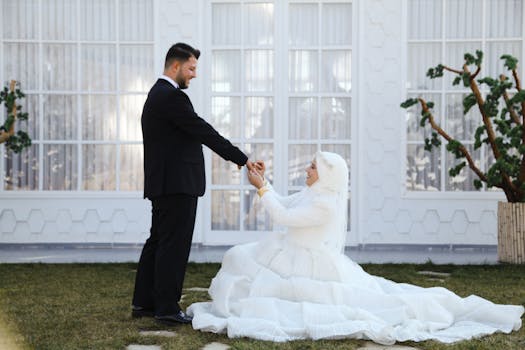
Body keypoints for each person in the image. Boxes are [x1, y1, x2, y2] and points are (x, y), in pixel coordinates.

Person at [188, 151, 524, 344]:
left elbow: (282, 216)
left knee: (345, 303)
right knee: (239, 257)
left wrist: (261, 190)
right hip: (285, 253)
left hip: (306, 262)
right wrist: (265, 183)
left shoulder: (326, 205)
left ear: (326, 176)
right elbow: (284, 203)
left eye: (312, 167)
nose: (307, 169)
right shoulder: (316, 194)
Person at [132, 43, 254, 326]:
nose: (194, 74)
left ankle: (144, 302)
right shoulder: (170, 97)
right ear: (175, 67)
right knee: (173, 246)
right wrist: (240, 157)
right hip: (177, 184)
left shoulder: (158, 94)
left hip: (165, 183)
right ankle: (166, 308)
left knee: (159, 242)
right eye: (191, 68)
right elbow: (202, 130)